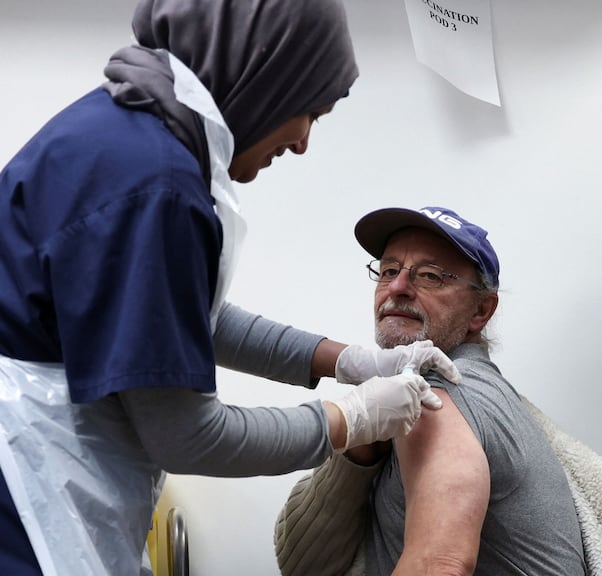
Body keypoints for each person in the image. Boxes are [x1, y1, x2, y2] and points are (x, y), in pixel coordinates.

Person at [0, 1, 460, 574]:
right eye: (310, 112)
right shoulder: (153, 183)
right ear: (266, 75)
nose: (302, 143)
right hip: (26, 494)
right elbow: (188, 437)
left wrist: (349, 362)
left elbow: (176, 317)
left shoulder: (123, 131)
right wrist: (351, 417)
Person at [274, 206, 588, 576]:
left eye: (429, 276)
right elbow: (304, 565)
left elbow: (439, 565)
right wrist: (361, 451)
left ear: (481, 311)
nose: (397, 288)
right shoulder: (396, 395)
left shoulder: (440, 390)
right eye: (389, 270)